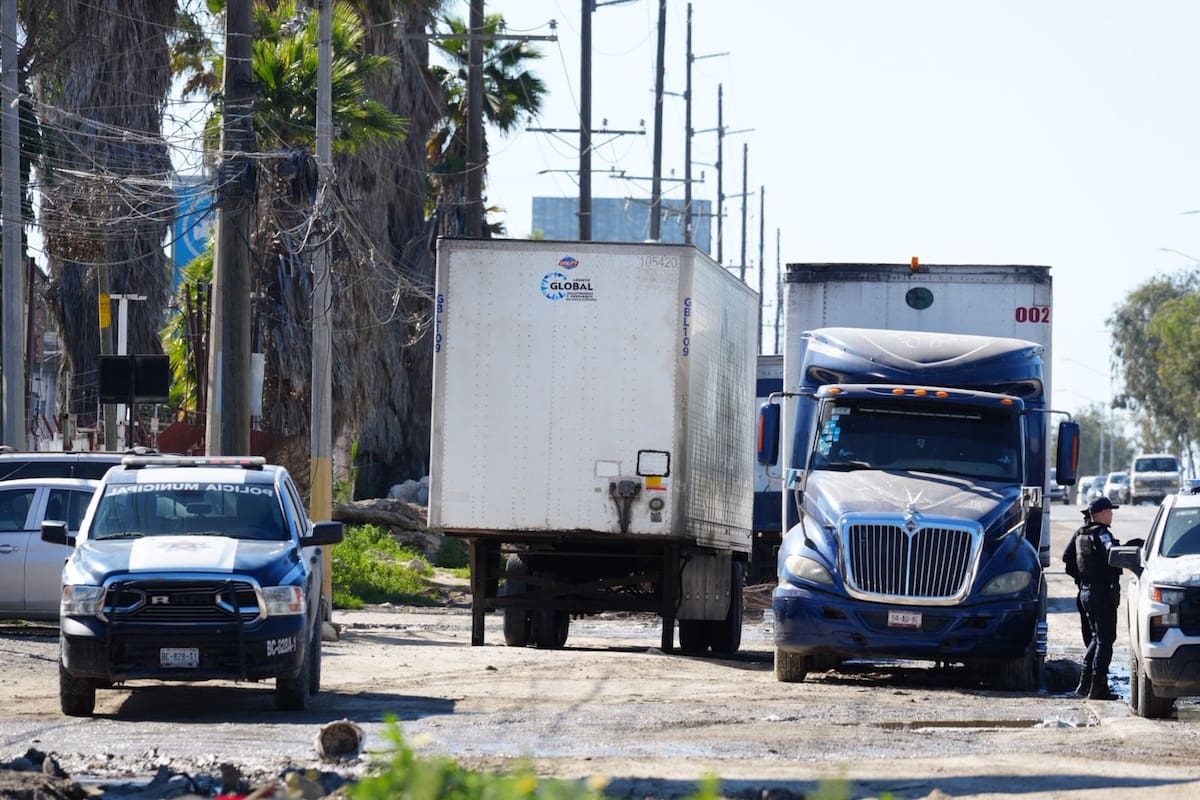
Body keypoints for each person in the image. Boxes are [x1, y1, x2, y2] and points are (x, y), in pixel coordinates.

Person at [1072, 495, 1123, 700]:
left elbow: (1069, 559)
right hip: (1102, 594)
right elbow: (1114, 557)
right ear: (1101, 513)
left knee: (1096, 638)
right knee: (1105, 639)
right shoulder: (1102, 534)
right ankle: (1098, 687)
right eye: (1110, 511)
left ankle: (1085, 684)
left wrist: (1083, 579)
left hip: (1087, 592)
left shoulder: (1081, 534)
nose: (1111, 515)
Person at [1062, 510, 1092, 649]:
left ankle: (1092, 666)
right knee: (1096, 634)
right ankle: (1092, 668)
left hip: (1086, 590)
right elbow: (1067, 559)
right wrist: (1081, 577)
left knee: (1093, 632)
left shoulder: (1082, 534)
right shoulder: (1082, 534)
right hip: (1089, 590)